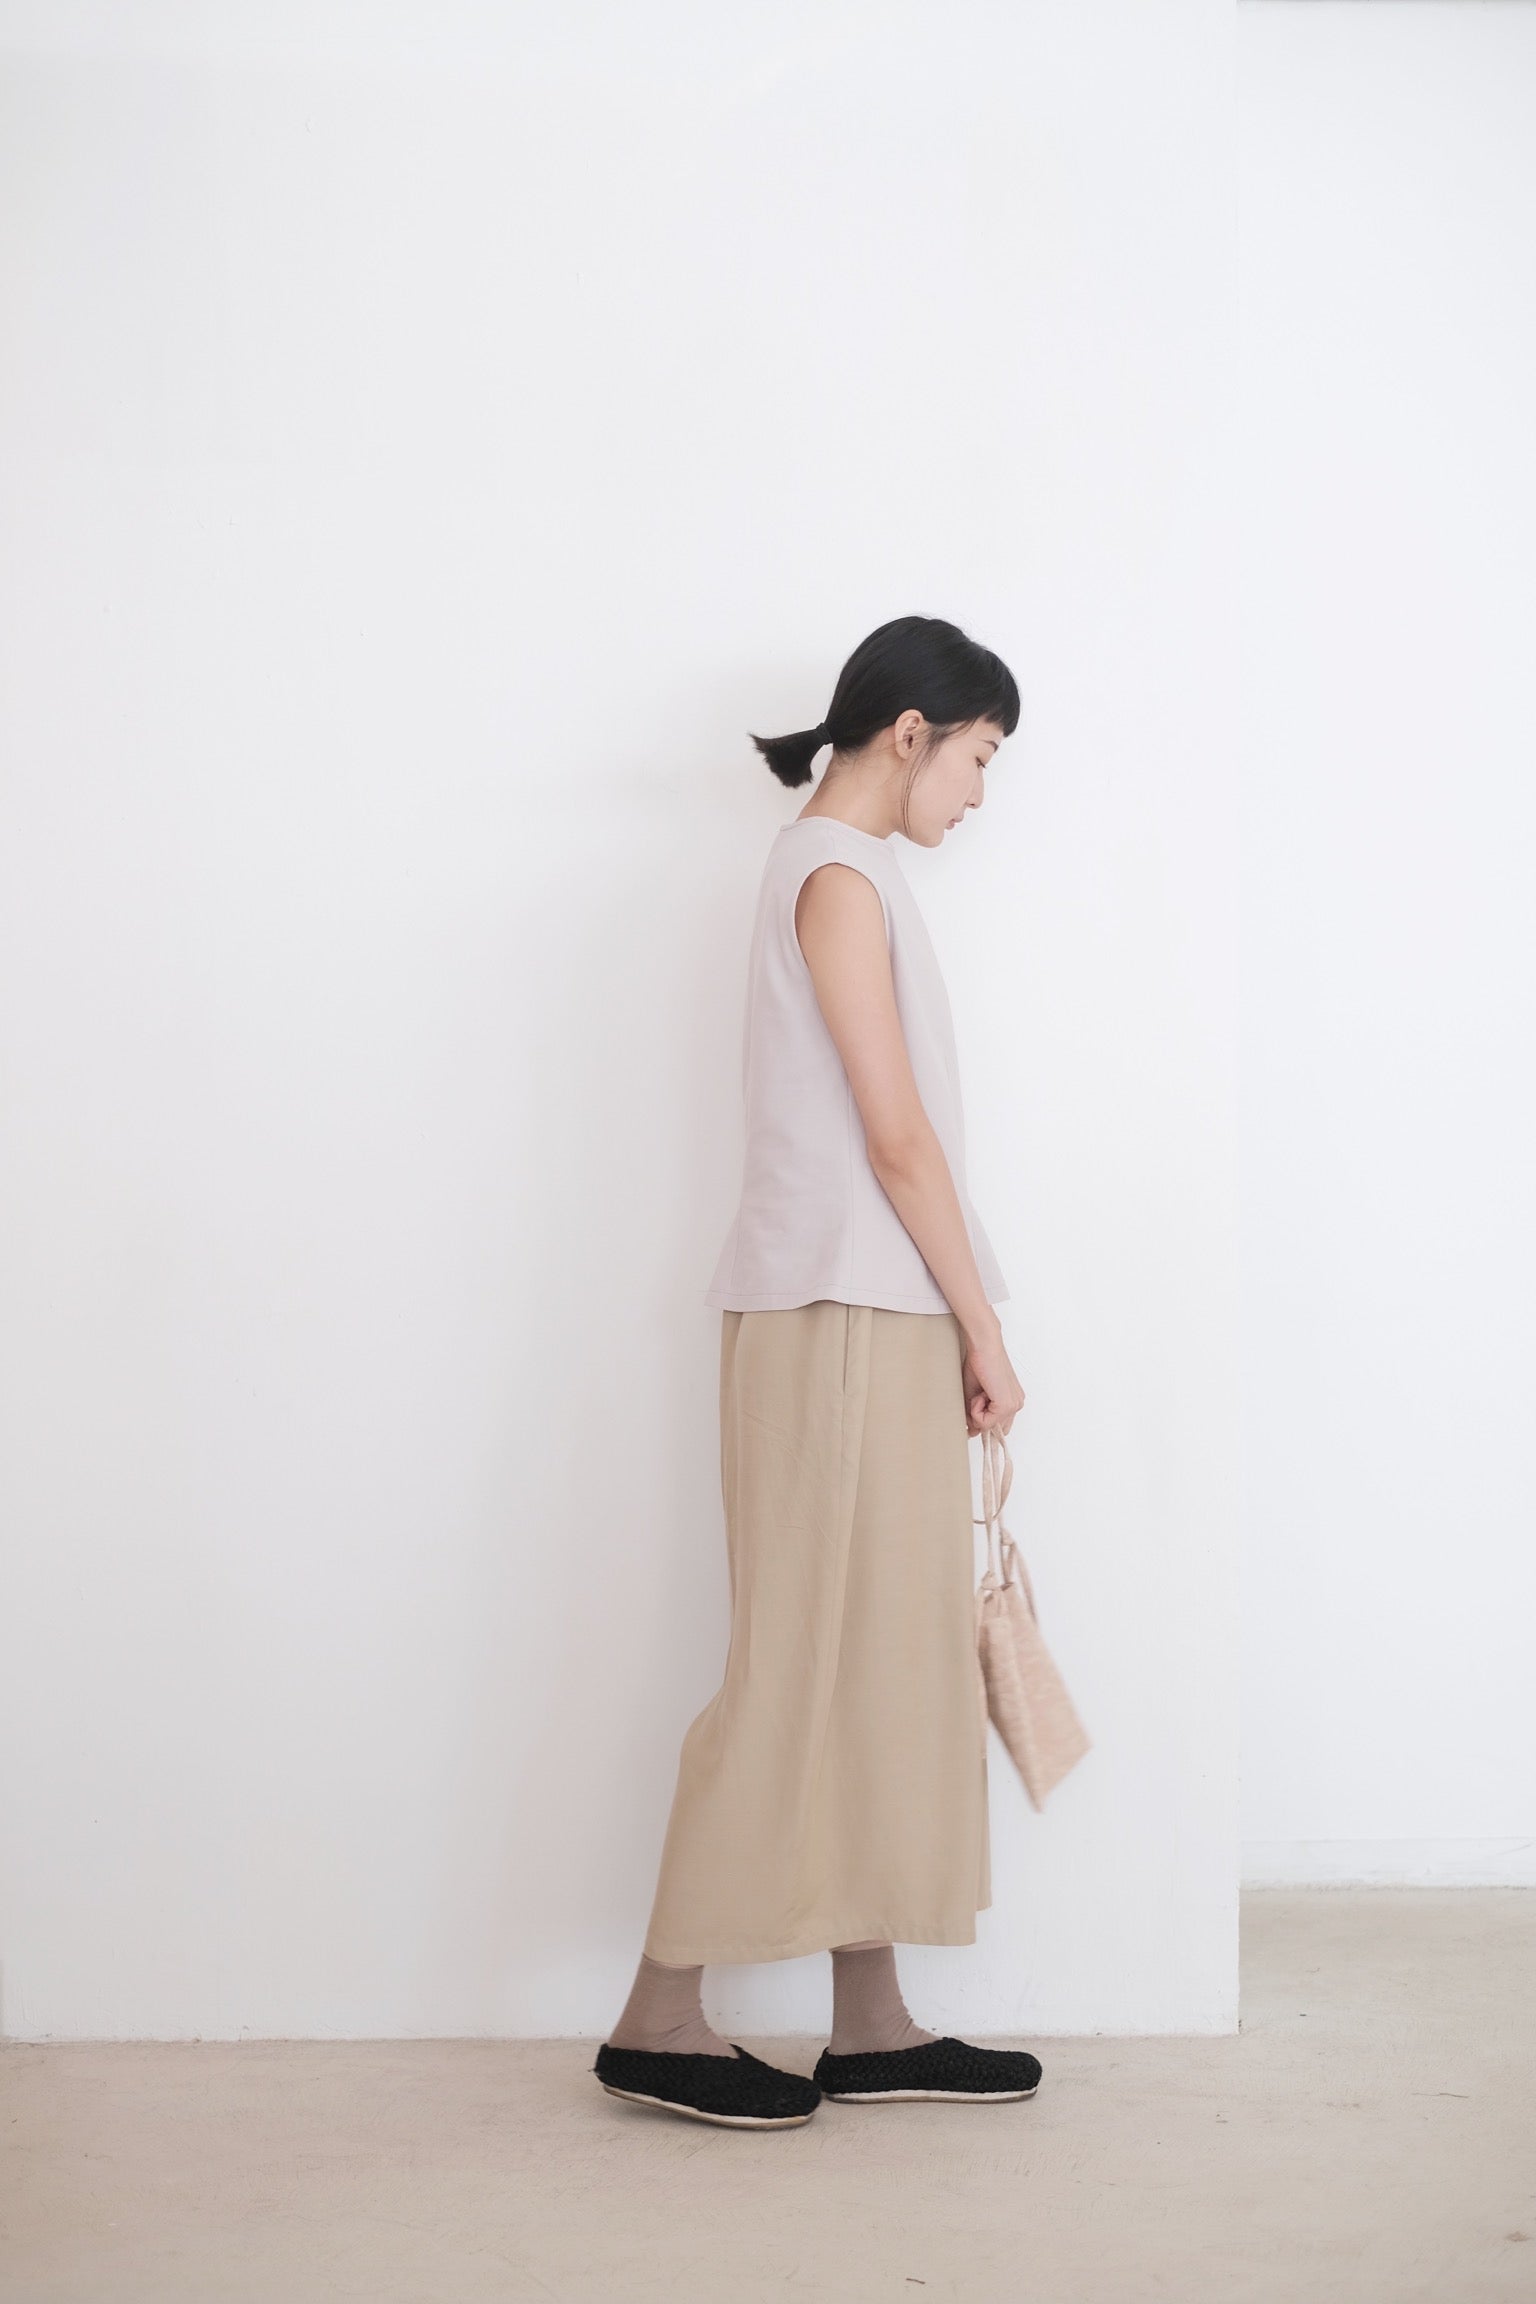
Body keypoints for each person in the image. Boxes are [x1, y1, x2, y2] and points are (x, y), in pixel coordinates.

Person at [593, 616, 1042, 2130]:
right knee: (797, 1660)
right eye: (980, 756)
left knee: (885, 1660)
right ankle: (659, 2019)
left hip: (873, 1308)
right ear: (912, 733)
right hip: (832, 1311)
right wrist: (988, 1327)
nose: (980, 791)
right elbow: (895, 1139)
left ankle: (874, 2024)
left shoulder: (854, 875)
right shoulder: (836, 879)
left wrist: (954, 1320)